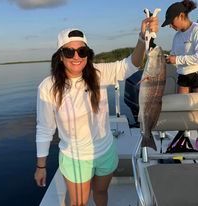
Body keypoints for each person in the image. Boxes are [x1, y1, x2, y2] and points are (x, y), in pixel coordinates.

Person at [34, 16, 158, 206]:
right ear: (60, 55)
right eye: (69, 51)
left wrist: (143, 37)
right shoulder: (48, 87)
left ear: (87, 54)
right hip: (75, 157)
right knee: (79, 203)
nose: (76, 56)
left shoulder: (98, 74)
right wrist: (41, 166)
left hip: (105, 151)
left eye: (82, 51)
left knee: (101, 192)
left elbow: (131, 64)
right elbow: (44, 128)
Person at [162, 0, 198, 94]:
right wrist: (167, 58)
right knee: (181, 106)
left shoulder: (196, 30)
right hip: (182, 76)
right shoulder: (176, 36)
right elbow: (173, 55)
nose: (170, 26)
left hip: (196, 75)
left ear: (181, 16)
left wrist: (177, 59)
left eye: (171, 22)